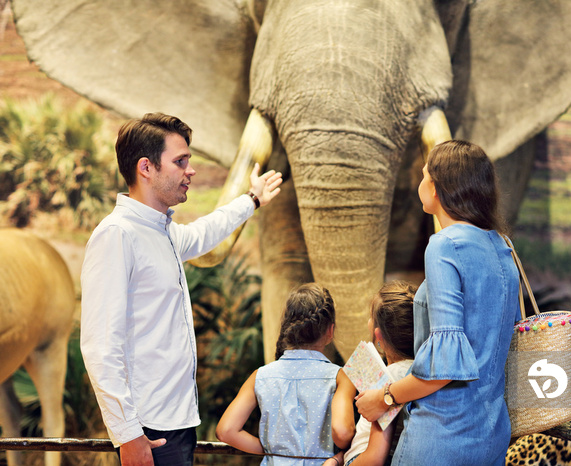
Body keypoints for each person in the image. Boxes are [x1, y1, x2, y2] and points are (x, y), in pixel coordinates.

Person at [80, 112, 283, 466]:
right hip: (148, 432)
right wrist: (128, 435)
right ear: (146, 167)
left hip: (177, 422)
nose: (190, 171)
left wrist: (251, 199)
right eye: (180, 162)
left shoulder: (164, 232)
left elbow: (206, 231)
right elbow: (99, 346)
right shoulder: (117, 235)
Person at [355, 140, 520, 465]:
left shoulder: (444, 245)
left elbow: (443, 369)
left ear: (438, 188)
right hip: (493, 434)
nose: (421, 180)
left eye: (424, 174)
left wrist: (383, 398)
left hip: (443, 436)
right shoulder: (503, 246)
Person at [216, 283, 357, 465]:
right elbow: (343, 432)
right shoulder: (339, 376)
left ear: (288, 328)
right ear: (330, 331)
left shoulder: (260, 376)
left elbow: (226, 430)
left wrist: (270, 450)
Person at [326, 280, 416, 466]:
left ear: (378, 335)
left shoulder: (384, 380)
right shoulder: (423, 374)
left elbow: (374, 458)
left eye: (370, 317)